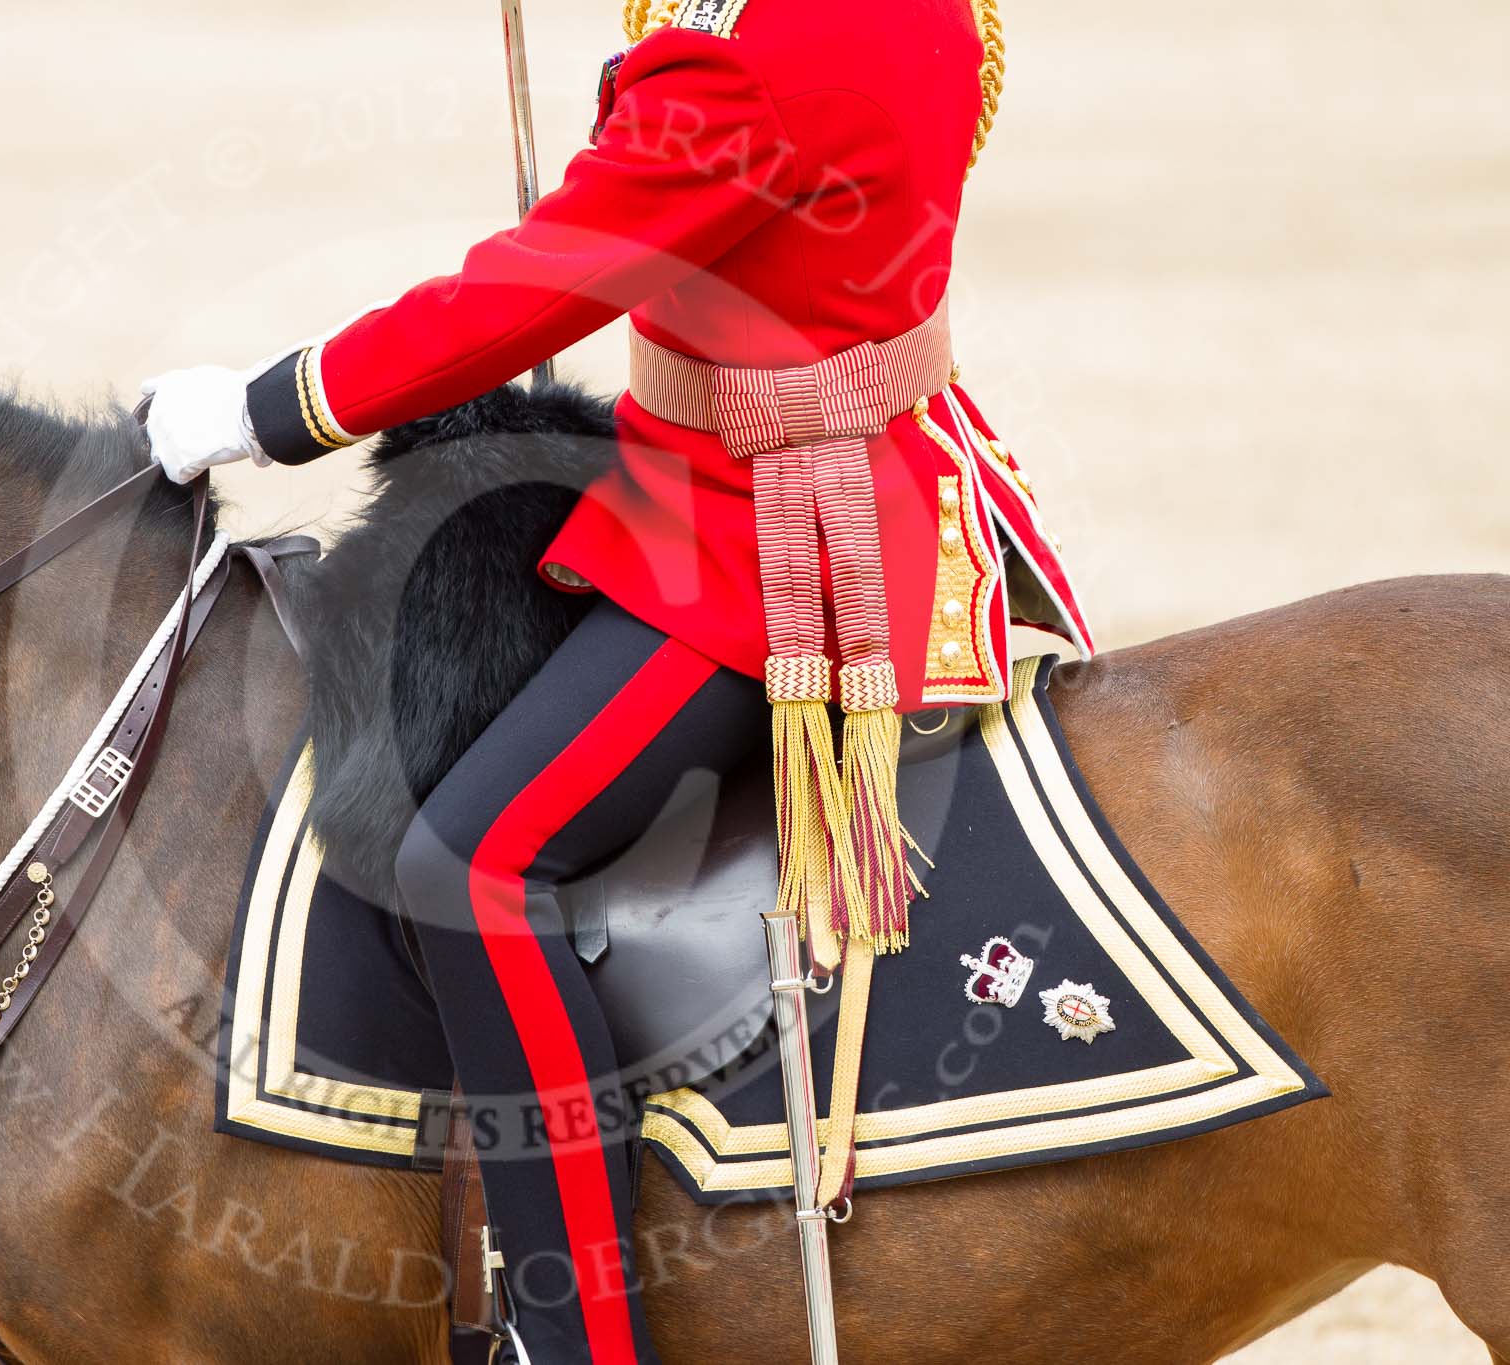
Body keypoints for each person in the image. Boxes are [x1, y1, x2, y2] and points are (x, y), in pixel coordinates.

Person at [143, 0, 1091, 1359]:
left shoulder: (754, 56)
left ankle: (571, 1329)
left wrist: (267, 406)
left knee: (469, 865)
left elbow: (546, 280)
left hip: (761, 542)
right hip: (886, 472)